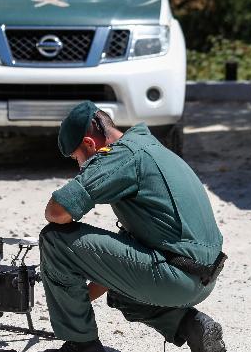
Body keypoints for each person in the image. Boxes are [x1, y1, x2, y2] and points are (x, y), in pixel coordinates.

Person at [39, 101, 227, 352]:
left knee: (55, 240)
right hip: (201, 278)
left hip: (174, 276)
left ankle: (81, 346)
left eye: (76, 158)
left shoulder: (122, 156)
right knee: (121, 295)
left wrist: (64, 287)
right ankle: (191, 325)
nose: (78, 165)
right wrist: (70, 298)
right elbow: (117, 266)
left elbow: (56, 211)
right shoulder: (150, 147)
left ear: (89, 144)